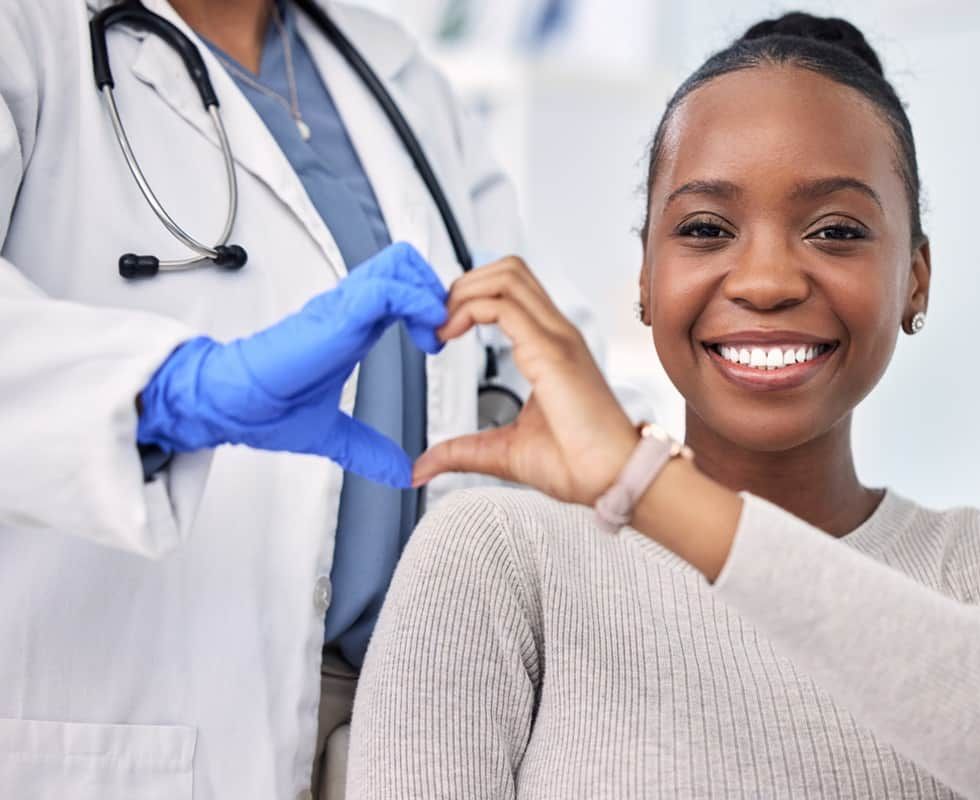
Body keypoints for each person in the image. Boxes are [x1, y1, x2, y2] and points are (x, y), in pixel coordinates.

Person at [349, 12, 980, 799]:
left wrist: (645, 481)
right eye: (705, 227)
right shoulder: (497, 556)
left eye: (836, 231)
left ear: (916, 276)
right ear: (645, 278)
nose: (766, 282)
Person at [0, 1, 605, 797]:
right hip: (134, 716)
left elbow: (545, 342)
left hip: (412, 721)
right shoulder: (29, 33)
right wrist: (177, 394)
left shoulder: (389, 67)